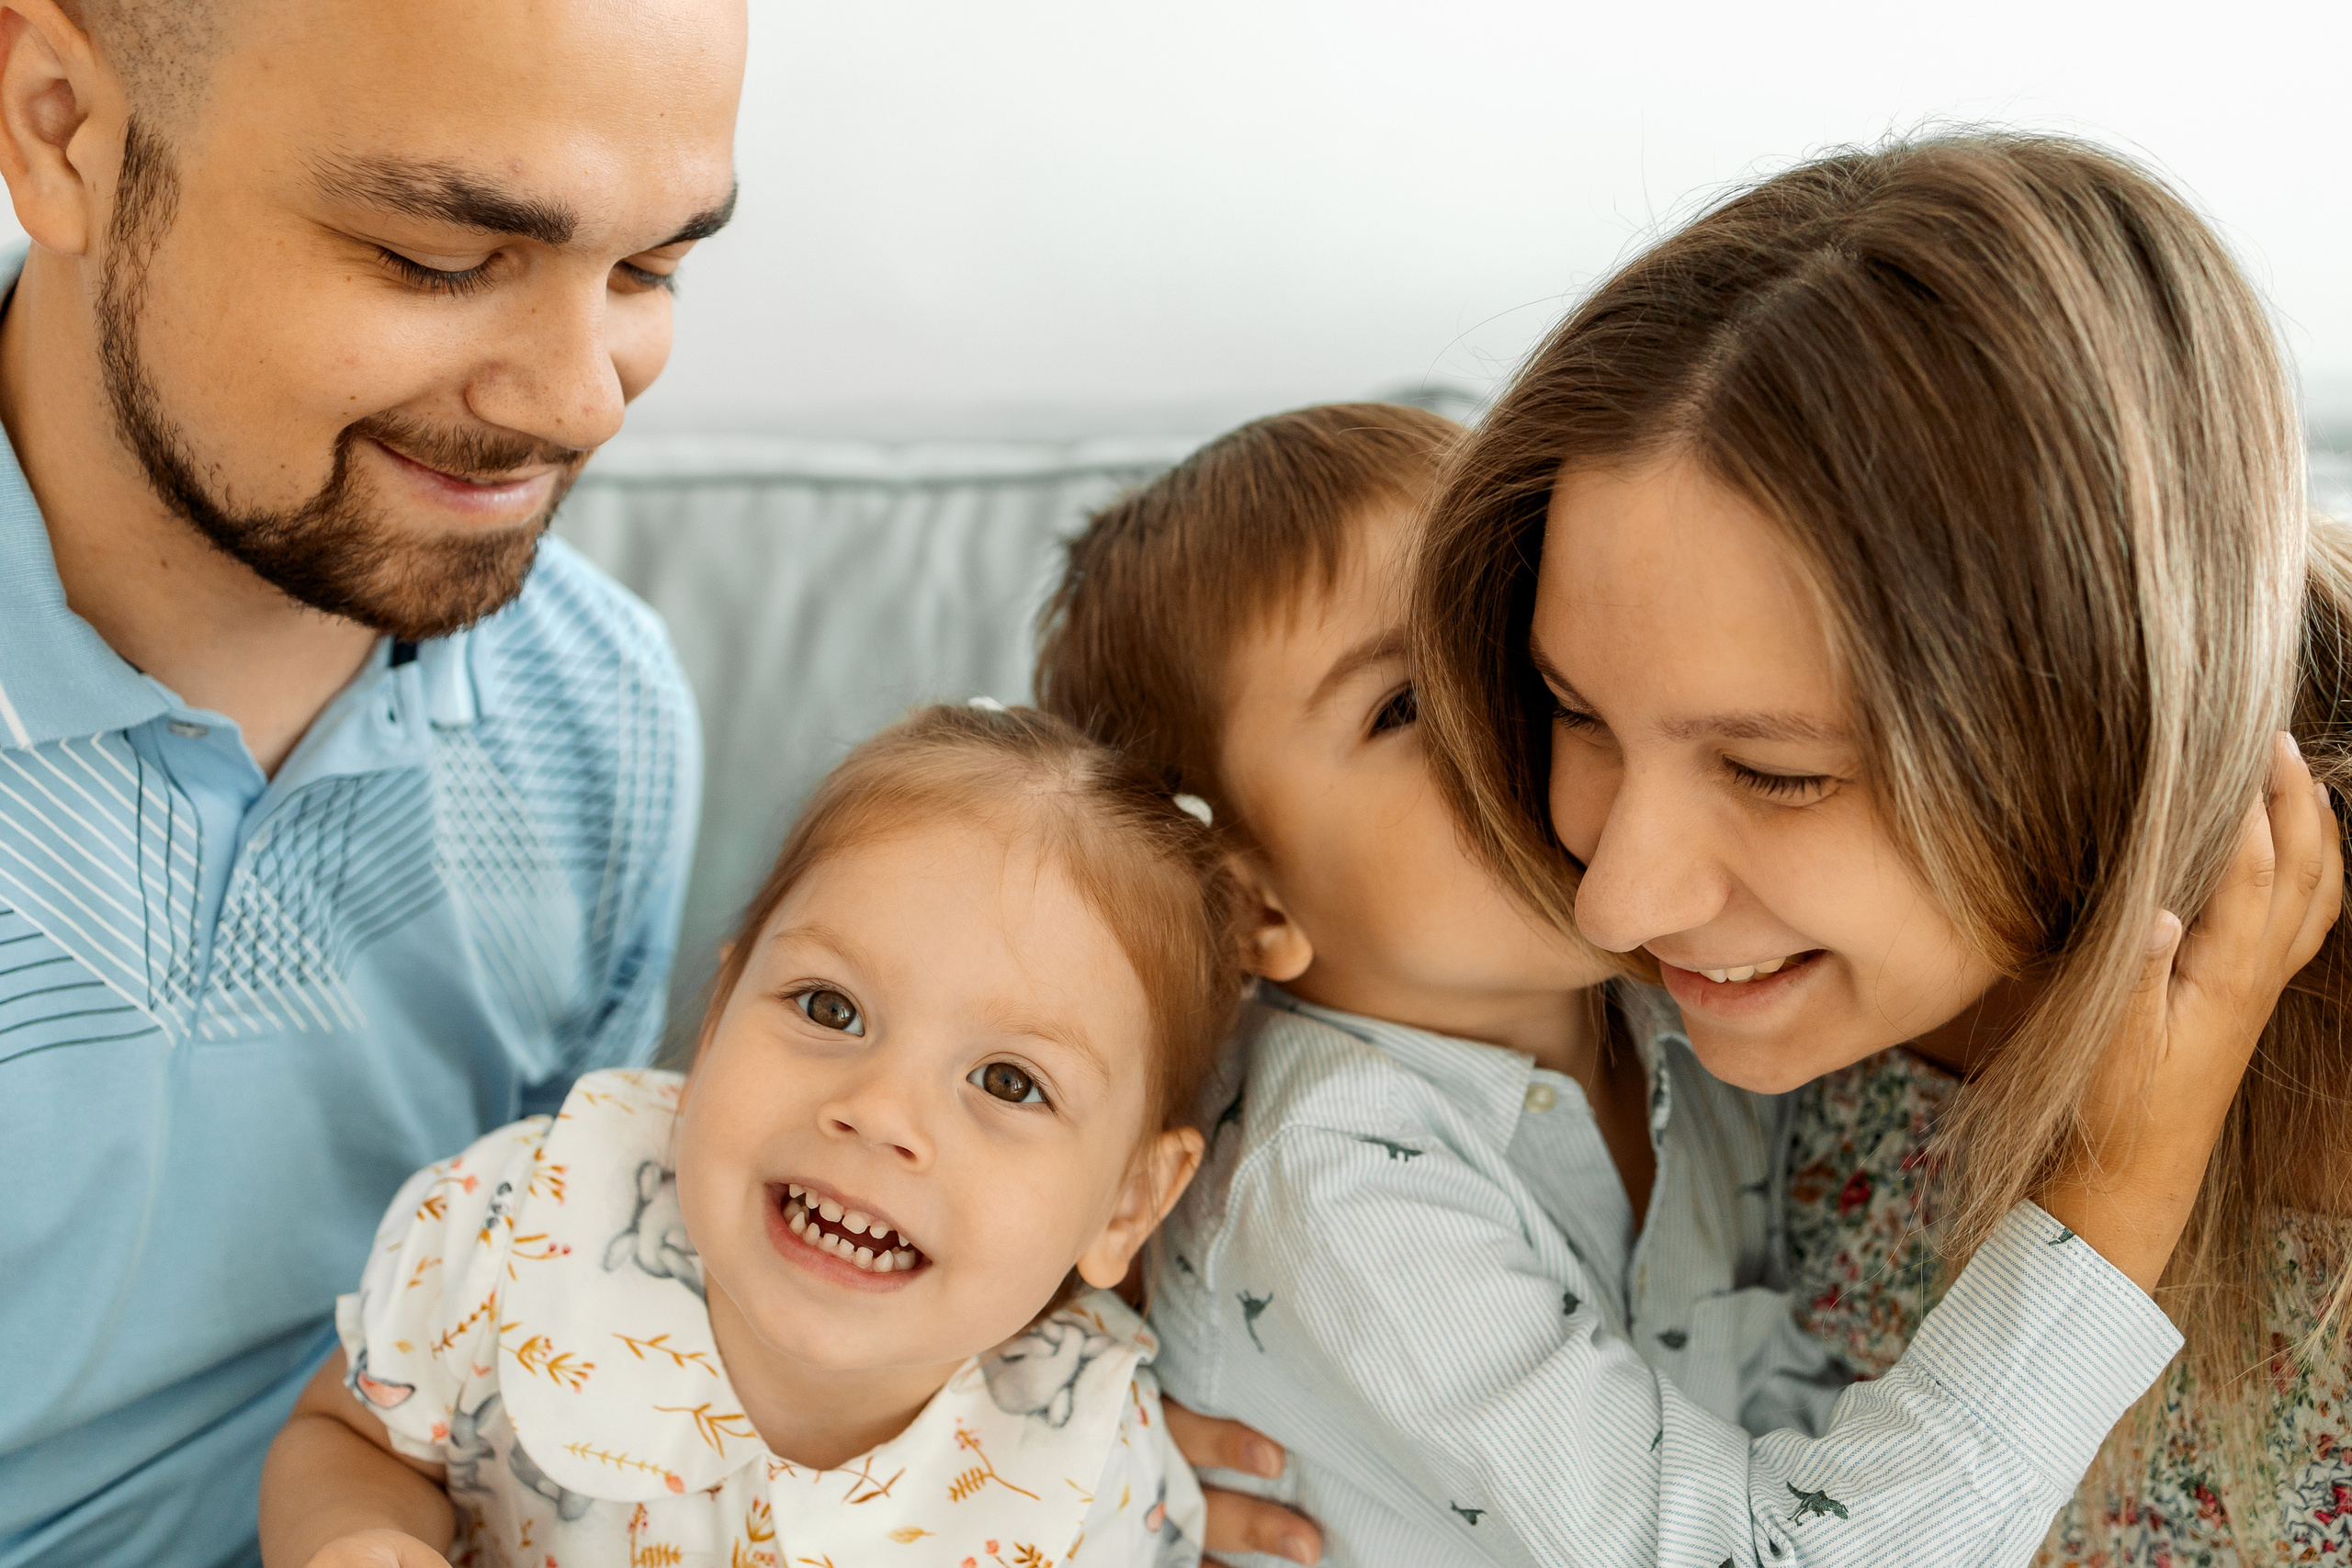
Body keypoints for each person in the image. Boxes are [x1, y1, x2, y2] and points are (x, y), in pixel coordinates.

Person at [1033, 400, 2335, 1566]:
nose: (1508, 730)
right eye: (1406, 705)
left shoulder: (1657, 1000)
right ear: (1250, 896)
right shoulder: (1328, 1179)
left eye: (1526, 668)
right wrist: (2122, 1176)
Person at [1410, 131, 2352, 1563]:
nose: (1616, 899)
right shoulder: (1535, 951)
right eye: (1573, 708)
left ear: (2102, 708)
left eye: (1776, 771)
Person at [0, 2, 742, 1562]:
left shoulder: (600, 715)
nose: (582, 399)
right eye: (438, 258)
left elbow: (532, 1332)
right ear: (60, 126)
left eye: (651, 270)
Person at [259, 705, 1229, 1568]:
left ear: (1128, 1203)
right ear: (718, 1016)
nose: (881, 1111)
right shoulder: (513, 1234)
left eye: (1009, 1082)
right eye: (828, 1008)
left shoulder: (1085, 1466)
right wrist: (358, 1539)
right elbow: (346, 1437)